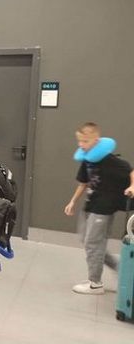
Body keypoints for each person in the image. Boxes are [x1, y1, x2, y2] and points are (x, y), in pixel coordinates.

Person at [64, 122, 134, 295]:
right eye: (80, 141)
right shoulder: (87, 160)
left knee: (93, 243)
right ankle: (119, 266)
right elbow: (83, 183)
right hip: (91, 204)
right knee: (86, 239)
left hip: (104, 207)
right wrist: (72, 202)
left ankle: (95, 283)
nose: (81, 144)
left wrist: (132, 186)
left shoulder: (111, 160)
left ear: (96, 141)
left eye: (85, 141)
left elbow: (131, 170)